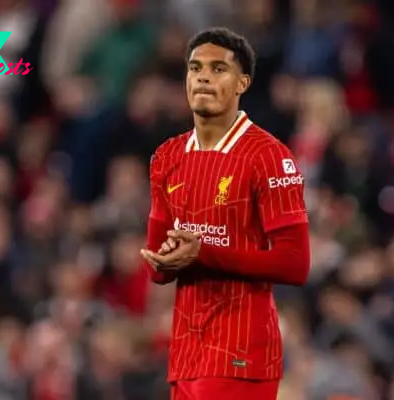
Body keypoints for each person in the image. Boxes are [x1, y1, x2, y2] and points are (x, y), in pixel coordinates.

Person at [140, 27, 311, 400]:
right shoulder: (167, 156)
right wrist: (165, 259)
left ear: (242, 83)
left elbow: (295, 264)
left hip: (241, 354)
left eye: (219, 68)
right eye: (195, 67)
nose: (203, 76)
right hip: (186, 352)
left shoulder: (268, 155)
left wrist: (203, 253)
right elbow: (157, 271)